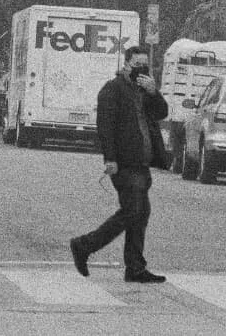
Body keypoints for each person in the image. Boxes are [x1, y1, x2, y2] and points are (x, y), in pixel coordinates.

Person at [70, 44, 170, 283]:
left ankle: (135, 267)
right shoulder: (112, 90)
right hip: (124, 163)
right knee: (132, 211)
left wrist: (154, 92)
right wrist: (110, 159)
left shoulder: (145, 92)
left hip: (142, 163)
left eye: (146, 66)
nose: (141, 71)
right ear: (125, 65)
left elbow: (161, 113)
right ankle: (84, 246)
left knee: (140, 213)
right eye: (137, 66)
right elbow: (105, 127)